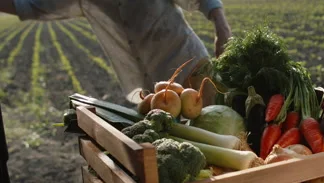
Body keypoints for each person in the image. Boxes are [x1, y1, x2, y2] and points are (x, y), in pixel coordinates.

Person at [0, 0, 232, 106]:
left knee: (218, 137)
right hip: (149, 93)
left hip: (190, 70)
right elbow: (31, 6)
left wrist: (222, 29)